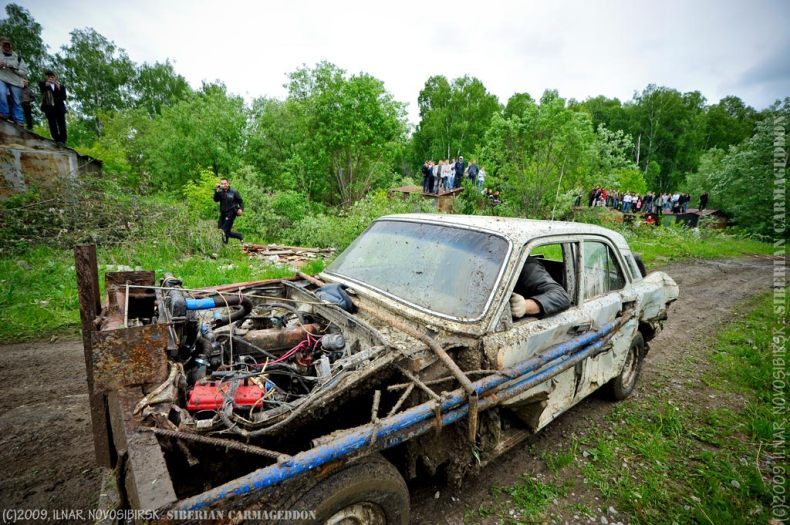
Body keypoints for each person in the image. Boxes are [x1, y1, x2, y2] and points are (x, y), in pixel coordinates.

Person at [0, 37, 30, 126]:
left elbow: (24, 72)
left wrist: (12, 67)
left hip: (15, 81)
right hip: (1, 78)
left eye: (7, 45)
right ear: (1, 46)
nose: (6, 47)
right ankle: (4, 113)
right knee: (1, 92)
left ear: (11, 46)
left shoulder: (17, 57)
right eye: (4, 45)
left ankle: (19, 120)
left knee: (16, 101)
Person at [39, 70, 67, 144]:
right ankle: (56, 139)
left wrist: (59, 89)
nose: (50, 78)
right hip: (49, 109)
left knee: (62, 125)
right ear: (46, 77)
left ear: (55, 77)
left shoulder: (61, 86)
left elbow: (64, 97)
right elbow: (42, 90)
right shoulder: (43, 84)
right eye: (48, 77)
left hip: (59, 108)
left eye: (52, 77)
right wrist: (46, 85)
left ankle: (63, 140)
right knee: (52, 124)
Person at [213, 177, 244, 243]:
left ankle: (224, 245)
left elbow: (240, 201)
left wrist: (241, 209)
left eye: (225, 183)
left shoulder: (234, 191)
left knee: (223, 230)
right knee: (224, 231)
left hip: (231, 213)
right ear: (221, 184)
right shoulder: (220, 191)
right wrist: (216, 191)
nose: (224, 185)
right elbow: (216, 200)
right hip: (223, 213)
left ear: (228, 183)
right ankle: (239, 236)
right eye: (222, 184)